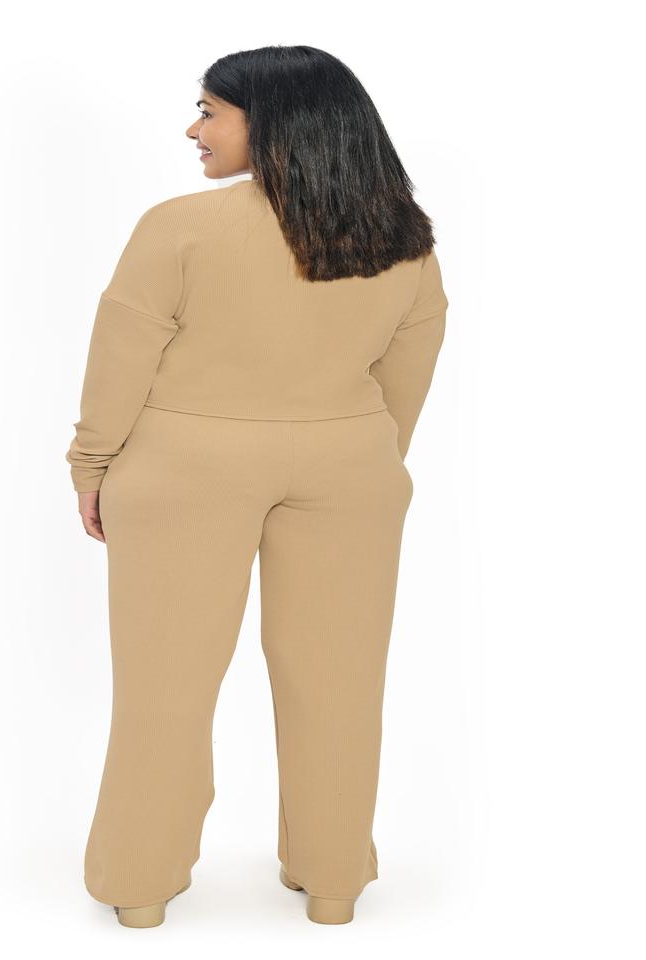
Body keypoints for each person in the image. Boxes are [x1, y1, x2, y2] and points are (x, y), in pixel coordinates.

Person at [65, 45, 449, 928]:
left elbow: (122, 357)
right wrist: (358, 451)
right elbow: (407, 372)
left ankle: (139, 887)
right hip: (350, 468)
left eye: (210, 111)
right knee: (341, 682)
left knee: (164, 685)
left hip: (185, 468)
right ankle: (333, 881)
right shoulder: (402, 241)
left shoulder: (179, 227)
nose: (193, 129)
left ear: (270, 122)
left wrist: (93, 465)